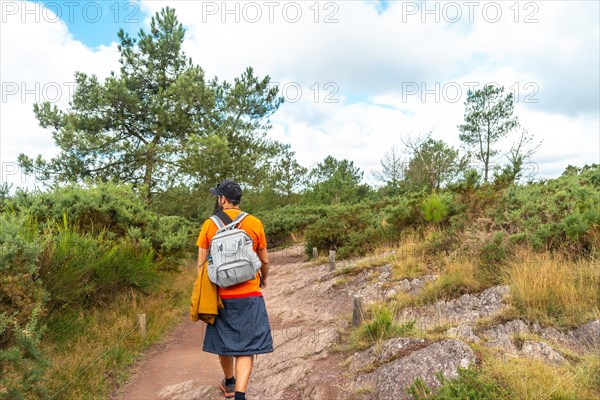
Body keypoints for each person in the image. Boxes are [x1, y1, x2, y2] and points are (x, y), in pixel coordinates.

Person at [196, 179, 273, 400]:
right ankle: (240, 395)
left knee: (224, 342)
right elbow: (264, 260)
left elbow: (201, 266)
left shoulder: (209, 225)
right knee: (247, 348)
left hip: (221, 296)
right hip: (250, 294)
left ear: (222, 199)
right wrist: (263, 280)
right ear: (238, 200)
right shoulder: (255, 223)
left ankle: (229, 383)